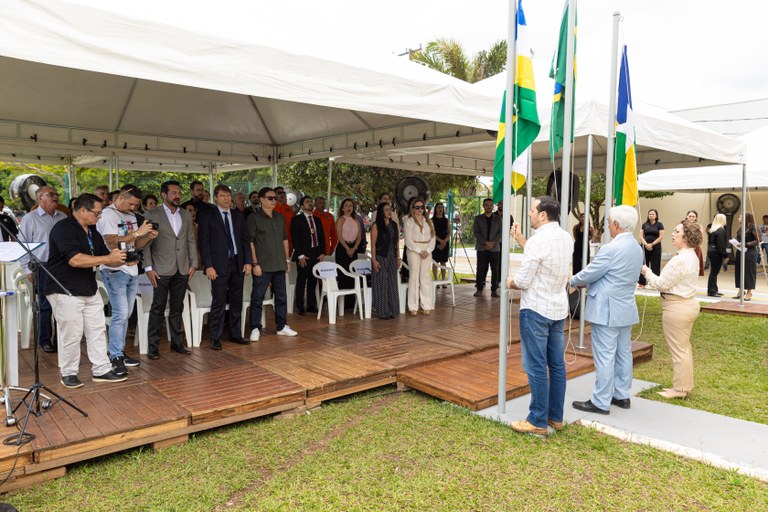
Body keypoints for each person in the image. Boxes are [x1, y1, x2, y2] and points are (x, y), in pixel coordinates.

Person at [46, 193, 127, 388]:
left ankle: (101, 369)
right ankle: (68, 373)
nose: (99, 217)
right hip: (65, 288)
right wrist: (108, 259)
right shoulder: (63, 228)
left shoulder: (92, 231)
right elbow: (75, 259)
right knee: (72, 333)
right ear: (83, 210)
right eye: (97, 213)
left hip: (89, 288)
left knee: (97, 330)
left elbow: (103, 256)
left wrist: (123, 258)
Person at [506, 196, 572, 436]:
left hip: (535, 309)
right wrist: (522, 240)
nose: (530, 214)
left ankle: (537, 419)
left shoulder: (537, 241)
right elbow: (547, 261)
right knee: (556, 364)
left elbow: (523, 280)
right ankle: (556, 417)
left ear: (543, 215)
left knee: (535, 366)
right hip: (557, 308)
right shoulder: (566, 237)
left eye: (532, 210)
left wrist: (510, 281)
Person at [570, 205, 644, 415]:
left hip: (605, 309)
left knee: (604, 355)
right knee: (623, 353)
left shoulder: (611, 248)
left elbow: (591, 273)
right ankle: (622, 394)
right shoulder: (636, 247)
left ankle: (600, 401)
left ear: (616, 225)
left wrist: (573, 280)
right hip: (625, 307)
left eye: (610, 221)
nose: (609, 225)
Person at [96, 185, 157, 376]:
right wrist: (138, 232)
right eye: (131, 203)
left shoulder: (130, 217)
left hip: (132, 268)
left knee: (127, 313)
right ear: (121, 197)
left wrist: (148, 237)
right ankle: (114, 355)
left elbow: (134, 244)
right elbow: (112, 242)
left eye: (136, 205)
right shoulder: (107, 215)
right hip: (114, 270)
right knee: (121, 314)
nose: (132, 208)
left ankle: (119, 352)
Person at [641, 220, 702, 399]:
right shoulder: (691, 255)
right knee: (683, 348)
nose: (672, 234)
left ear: (686, 237)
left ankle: (680, 389)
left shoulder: (681, 259)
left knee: (679, 350)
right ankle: (684, 386)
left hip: (677, 308)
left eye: (677, 231)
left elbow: (661, 283)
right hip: (685, 305)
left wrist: (646, 271)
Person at [143, 181, 198, 359]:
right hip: (160, 268)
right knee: (157, 307)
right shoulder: (152, 214)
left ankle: (177, 343)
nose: (177, 196)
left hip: (182, 268)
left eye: (179, 193)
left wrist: (193, 263)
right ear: (163, 195)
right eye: (173, 192)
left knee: (177, 307)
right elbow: (145, 244)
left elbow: (190, 240)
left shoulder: (185, 214)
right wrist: (148, 267)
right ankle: (153, 346)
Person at [198, 185, 252, 350]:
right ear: (216, 198)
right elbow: (204, 244)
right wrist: (208, 266)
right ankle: (216, 337)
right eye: (223, 196)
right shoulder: (208, 216)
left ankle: (236, 334)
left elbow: (245, 240)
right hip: (218, 265)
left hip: (237, 262)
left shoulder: (238, 215)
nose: (227, 199)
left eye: (228, 195)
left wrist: (248, 261)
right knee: (219, 301)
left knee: (236, 301)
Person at [18, 186, 67, 353]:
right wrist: (27, 269)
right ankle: (44, 340)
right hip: (42, 266)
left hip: (62, 266)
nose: (56, 197)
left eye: (56, 194)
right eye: (51, 194)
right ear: (40, 198)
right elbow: (23, 246)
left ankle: (60, 340)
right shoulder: (30, 218)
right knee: (45, 305)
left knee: (63, 304)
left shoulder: (63, 217)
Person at [247, 187, 298, 341]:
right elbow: (250, 242)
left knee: (281, 297)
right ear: (261, 199)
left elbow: (284, 239)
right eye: (270, 198)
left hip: (279, 264)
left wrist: (287, 260)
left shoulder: (279, 217)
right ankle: (255, 327)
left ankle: (281, 326)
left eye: (275, 198)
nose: (274, 200)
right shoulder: (253, 218)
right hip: (262, 265)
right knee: (257, 297)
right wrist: (255, 263)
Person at [291, 195, 326, 315]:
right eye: (307, 202)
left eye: (311, 202)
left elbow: (321, 237)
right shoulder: (297, 220)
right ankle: (300, 306)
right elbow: (295, 238)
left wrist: (322, 252)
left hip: (316, 253)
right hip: (304, 254)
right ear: (302, 206)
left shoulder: (317, 219)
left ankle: (311, 304)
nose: (310, 203)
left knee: (313, 280)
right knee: (302, 279)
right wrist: (300, 255)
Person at [403, 197, 436, 315]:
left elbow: (433, 239)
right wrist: (419, 251)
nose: (420, 209)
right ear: (412, 208)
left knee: (425, 277)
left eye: (422, 207)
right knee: (414, 277)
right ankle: (413, 307)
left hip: (427, 249)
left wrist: (427, 250)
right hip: (414, 250)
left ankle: (426, 305)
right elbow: (408, 240)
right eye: (417, 207)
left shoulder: (429, 222)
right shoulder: (409, 221)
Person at [370, 202, 400, 319]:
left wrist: (398, 257)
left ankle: (393, 310)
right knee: (381, 284)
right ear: (381, 212)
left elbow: (396, 242)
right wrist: (374, 260)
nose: (389, 212)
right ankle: (383, 312)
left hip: (392, 255)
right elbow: (373, 244)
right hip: (380, 256)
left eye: (390, 209)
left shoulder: (393, 224)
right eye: (386, 209)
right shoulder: (376, 225)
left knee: (392, 283)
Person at [335, 198, 362, 308]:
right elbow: (339, 236)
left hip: (353, 248)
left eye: (350, 205)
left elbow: (359, 237)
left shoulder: (356, 220)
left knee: (352, 274)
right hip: (343, 248)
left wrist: (354, 247)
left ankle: (351, 302)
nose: (349, 207)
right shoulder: (340, 220)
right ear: (342, 208)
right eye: (346, 205)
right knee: (343, 274)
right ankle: (343, 303)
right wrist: (347, 248)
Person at [472, 198, 502, 298]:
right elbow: (476, 232)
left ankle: (494, 290)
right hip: (481, 248)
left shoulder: (498, 219)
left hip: (494, 248)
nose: (489, 207)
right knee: (480, 268)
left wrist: (492, 244)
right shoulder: (478, 218)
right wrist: (485, 243)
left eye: (490, 205)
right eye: (487, 205)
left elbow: (500, 232)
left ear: (493, 206)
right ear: (483, 206)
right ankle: (479, 289)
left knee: (495, 269)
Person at [732, 211, 759, 301]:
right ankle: (740, 290)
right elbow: (738, 239)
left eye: (740, 217)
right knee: (739, 271)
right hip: (740, 252)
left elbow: (757, 240)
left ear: (746, 218)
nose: (739, 218)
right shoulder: (741, 228)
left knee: (749, 272)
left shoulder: (753, 227)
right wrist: (734, 241)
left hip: (749, 253)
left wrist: (746, 244)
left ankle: (749, 292)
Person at [638, 209, 664, 287]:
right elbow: (640, 236)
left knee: (655, 265)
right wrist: (646, 244)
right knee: (644, 264)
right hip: (645, 247)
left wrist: (652, 244)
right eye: (650, 214)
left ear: (656, 216)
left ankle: (654, 283)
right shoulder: (644, 225)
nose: (651, 215)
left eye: (653, 214)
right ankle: (642, 282)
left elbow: (661, 236)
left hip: (655, 247)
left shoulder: (659, 225)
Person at [706, 214, 728, 297]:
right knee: (714, 272)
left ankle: (714, 289)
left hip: (711, 251)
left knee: (713, 271)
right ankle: (711, 291)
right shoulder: (721, 230)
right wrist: (725, 256)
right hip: (716, 252)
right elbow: (721, 245)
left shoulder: (712, 229)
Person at [431, 202, 450, 283]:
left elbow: (449, 232)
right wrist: (440, 240)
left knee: (443, 262)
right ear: (435, 209)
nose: (440, 209)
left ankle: (443, 280)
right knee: (435, 261)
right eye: (439, 207)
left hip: (445, 242)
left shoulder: (446, 220)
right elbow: (432, 233)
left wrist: (444, 241)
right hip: (435, 242)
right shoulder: (432, 220)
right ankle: (435, 279)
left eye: (441, 207)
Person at [686, 210, 705, 277]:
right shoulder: (683, 225)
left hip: (695, 247)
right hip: (685, 247)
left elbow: (701, 238)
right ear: (687, 217)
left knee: (694, 266)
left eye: (693, 216)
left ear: (696, 218)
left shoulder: (699, 226)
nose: (691, 218)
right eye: (690, 216)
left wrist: (694, 244)